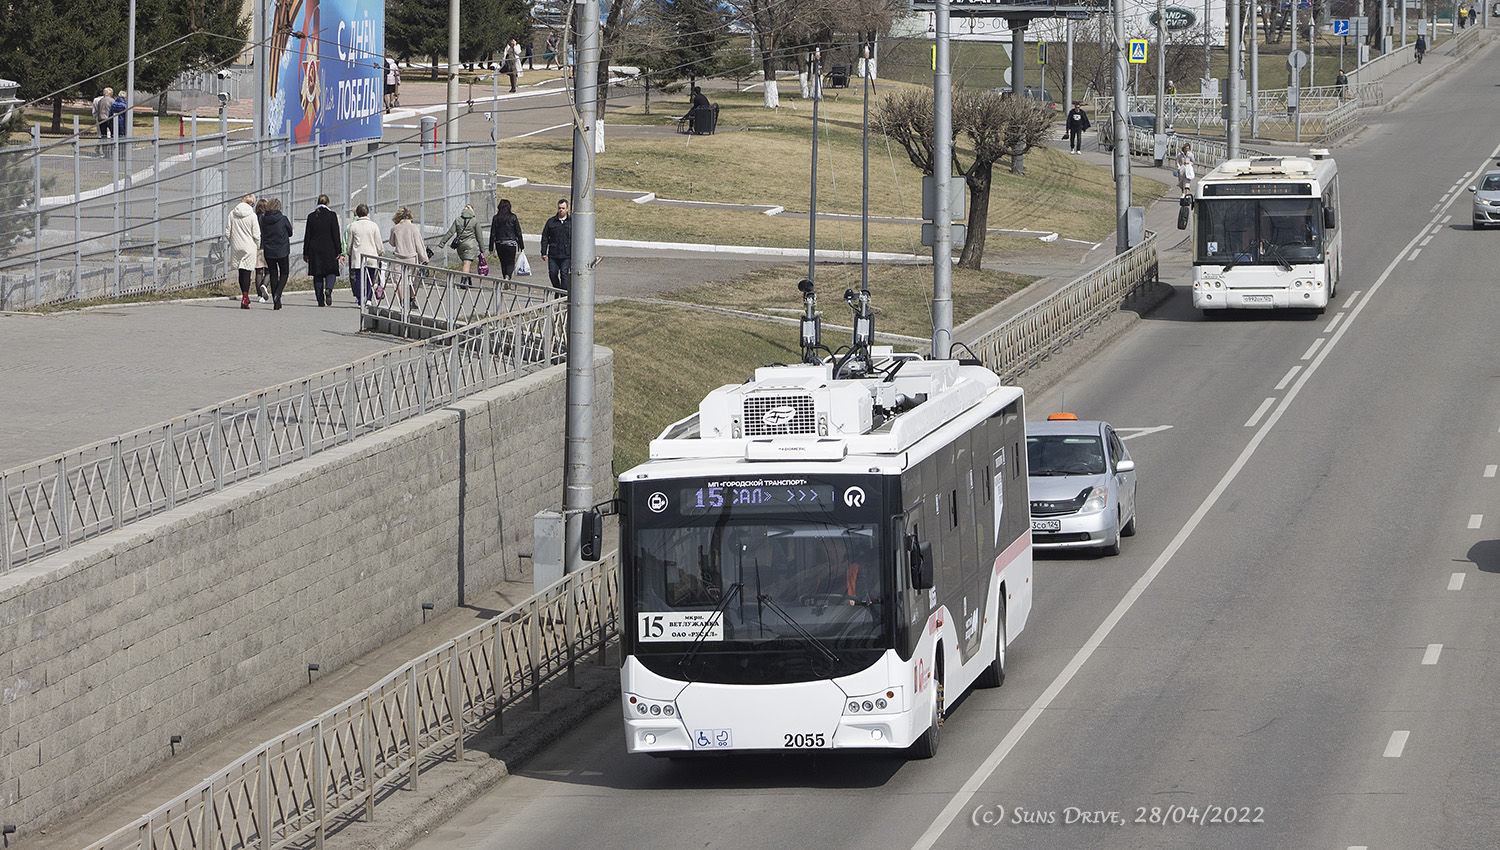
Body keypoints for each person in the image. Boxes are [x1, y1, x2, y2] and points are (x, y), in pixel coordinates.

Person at [303, 194, 343, 307]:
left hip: (314, 249)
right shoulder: (332, 215)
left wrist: (305, 252)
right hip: (329, 248)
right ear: (327, 203)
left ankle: (320, 301)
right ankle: (329, 289)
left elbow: (307, 236)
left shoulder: (311, 216)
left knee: (317, 274)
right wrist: (338, 250)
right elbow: (336, 233)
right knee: (331, 271)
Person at [225, 194, 261, 310]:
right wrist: (257, 245)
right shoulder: (252, 216)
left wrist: (233, 241)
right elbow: (256, 234)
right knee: (248, 272)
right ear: (251, 203)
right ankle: (245, 297)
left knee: (241, 271)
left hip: (236, 246)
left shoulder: (232, 213)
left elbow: (227, 232)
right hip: (249, 246)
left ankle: (244, 296)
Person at [345, 204, 384, 304]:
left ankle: (360, 299)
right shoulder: (373, 225)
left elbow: (350, 242)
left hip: (358, 255)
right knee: (370, 278)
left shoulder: (353, 226)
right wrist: (380, 251)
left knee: (358, 278)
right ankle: (369, 299)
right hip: (371, 255)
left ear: (357, 213)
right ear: (367, 213)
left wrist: (349, 252)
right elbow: (378, 241)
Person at [259, 198, 293, 310]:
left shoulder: (264, 219)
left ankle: (276, 302)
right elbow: (290, 232)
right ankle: (278, 294)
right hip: (282, 250)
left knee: (273, 274)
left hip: (269, 250)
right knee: (284, 273)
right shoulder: (283, 219)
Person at [388, 207, 427, 303]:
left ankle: (402, 300)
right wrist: (424, 258)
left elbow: (392, 243)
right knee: (413, 279)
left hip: (398, 257)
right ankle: (412, 299)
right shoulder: (414, 228)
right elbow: (419, 244)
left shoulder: (395, 228)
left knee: (399, 280)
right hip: (411, 257)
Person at [439, 203, 485, 275]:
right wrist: (482, 249)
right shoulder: (475, 221)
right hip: (471, 245)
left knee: (466, 263)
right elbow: (479, 236)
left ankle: (468, 281)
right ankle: (463, 281)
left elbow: (450, 232)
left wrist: (442, 243)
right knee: (467, 263)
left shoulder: (458, 220)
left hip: (460, 245)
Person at [539, 198, 572, 291]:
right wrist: (543, 252)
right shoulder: (551, 222)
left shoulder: (571, 222)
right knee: (552, 273)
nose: (561, 210)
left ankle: (563, 294)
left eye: (563, 208)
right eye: (559, 208)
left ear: (567, 209)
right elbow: (545, 237)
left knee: (564, 274)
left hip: (566, 255)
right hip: (554, 254)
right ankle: (557, 290)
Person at [488, 198, 524, 280]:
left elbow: (493, 233)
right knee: (510, 261)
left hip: (499, 243)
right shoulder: (513, 217)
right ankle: (508, 277)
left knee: (503, 262)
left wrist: (491, 247)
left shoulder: (496, 218)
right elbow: (518, 232)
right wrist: (521, 245)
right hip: (511, 243)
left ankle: (505, 277)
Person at [252, 197, 270, 302]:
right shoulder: (268, 218)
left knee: (258, 272)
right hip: (267, 247)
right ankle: (264, 285)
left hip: (257, 247)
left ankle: (259, 294)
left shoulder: (254, 218)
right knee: (269, 271)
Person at [91, 87, 114, 155]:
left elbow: (96, 111)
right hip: (109, 118)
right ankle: (111, 150)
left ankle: (104, 151)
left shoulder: (100, 100)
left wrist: (97, 117)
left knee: (103, 135)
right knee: (111, 135)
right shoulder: (112, 100)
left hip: (101, 118)